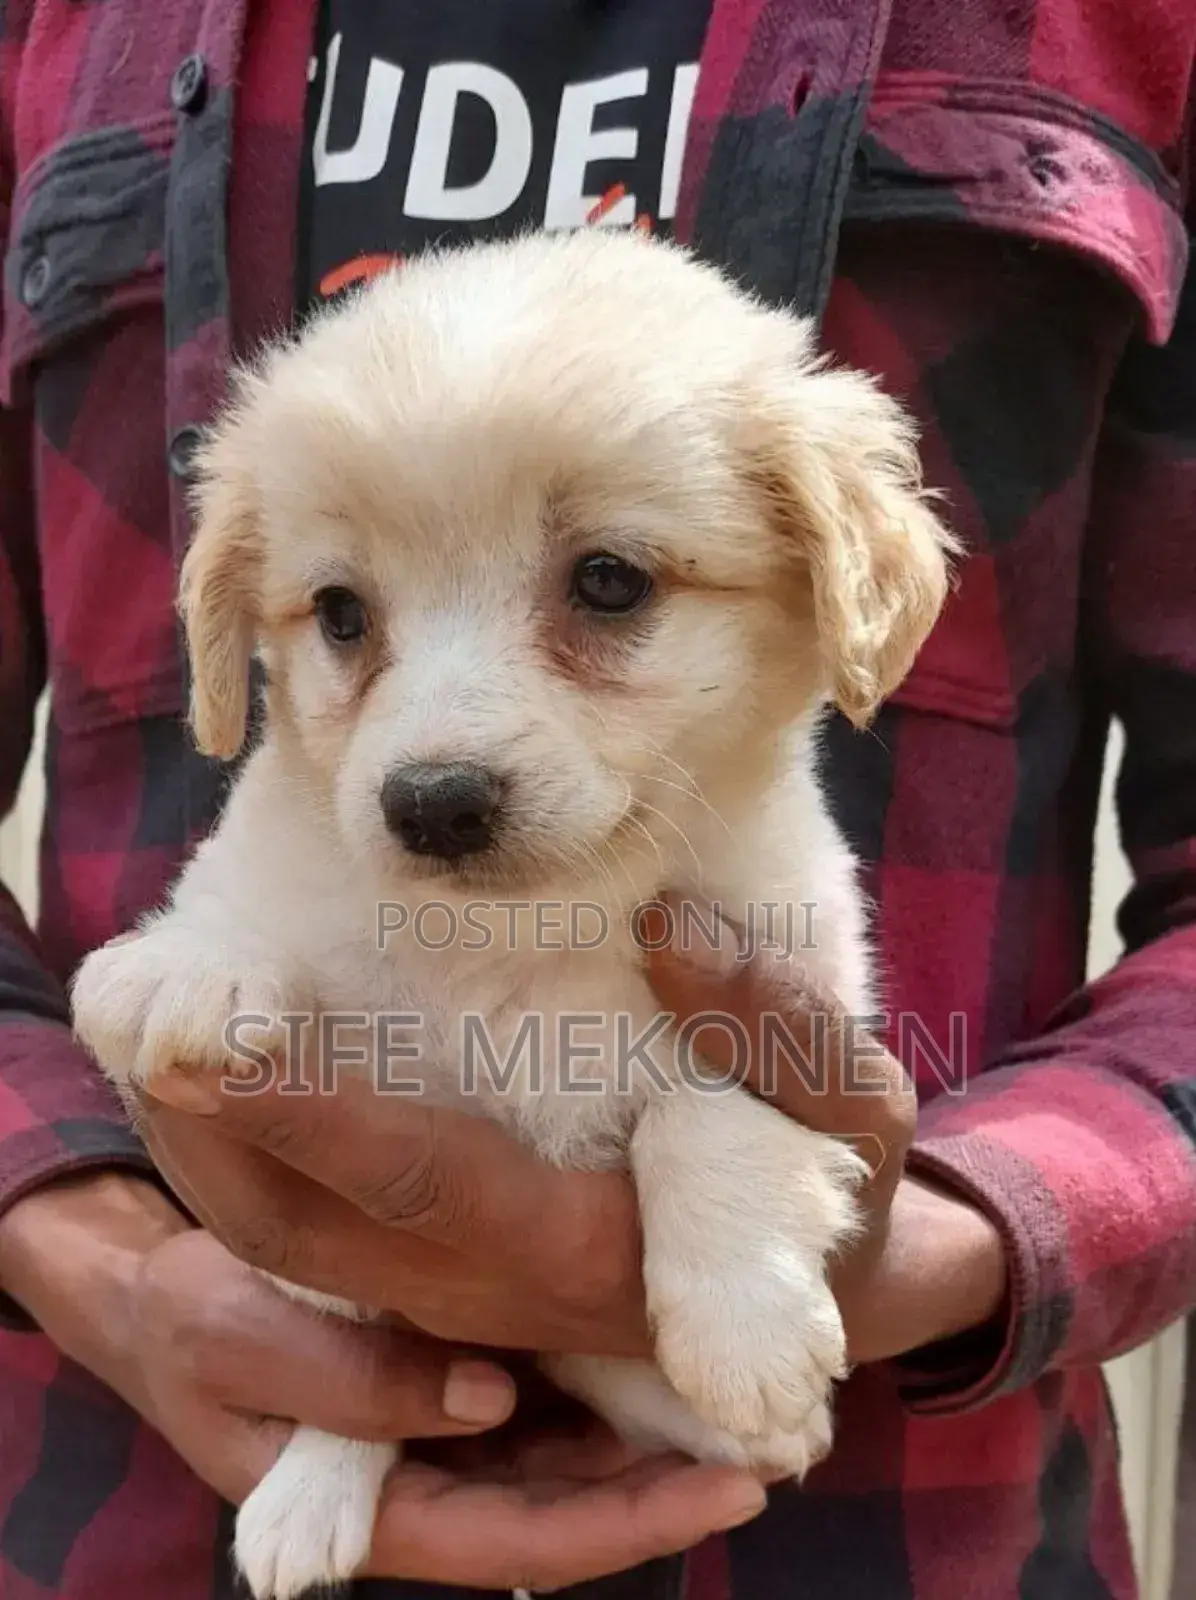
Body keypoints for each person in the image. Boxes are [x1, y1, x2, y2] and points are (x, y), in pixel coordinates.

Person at [0, 1, 1193, 1597]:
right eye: (344, 616)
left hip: (885, 1528)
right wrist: (92, 1245)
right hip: (134, 1493)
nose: (436, 751)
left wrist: (951, 1234)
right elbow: (205, 983)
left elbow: (779, 1073)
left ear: (830, 571)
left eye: (609, 585)